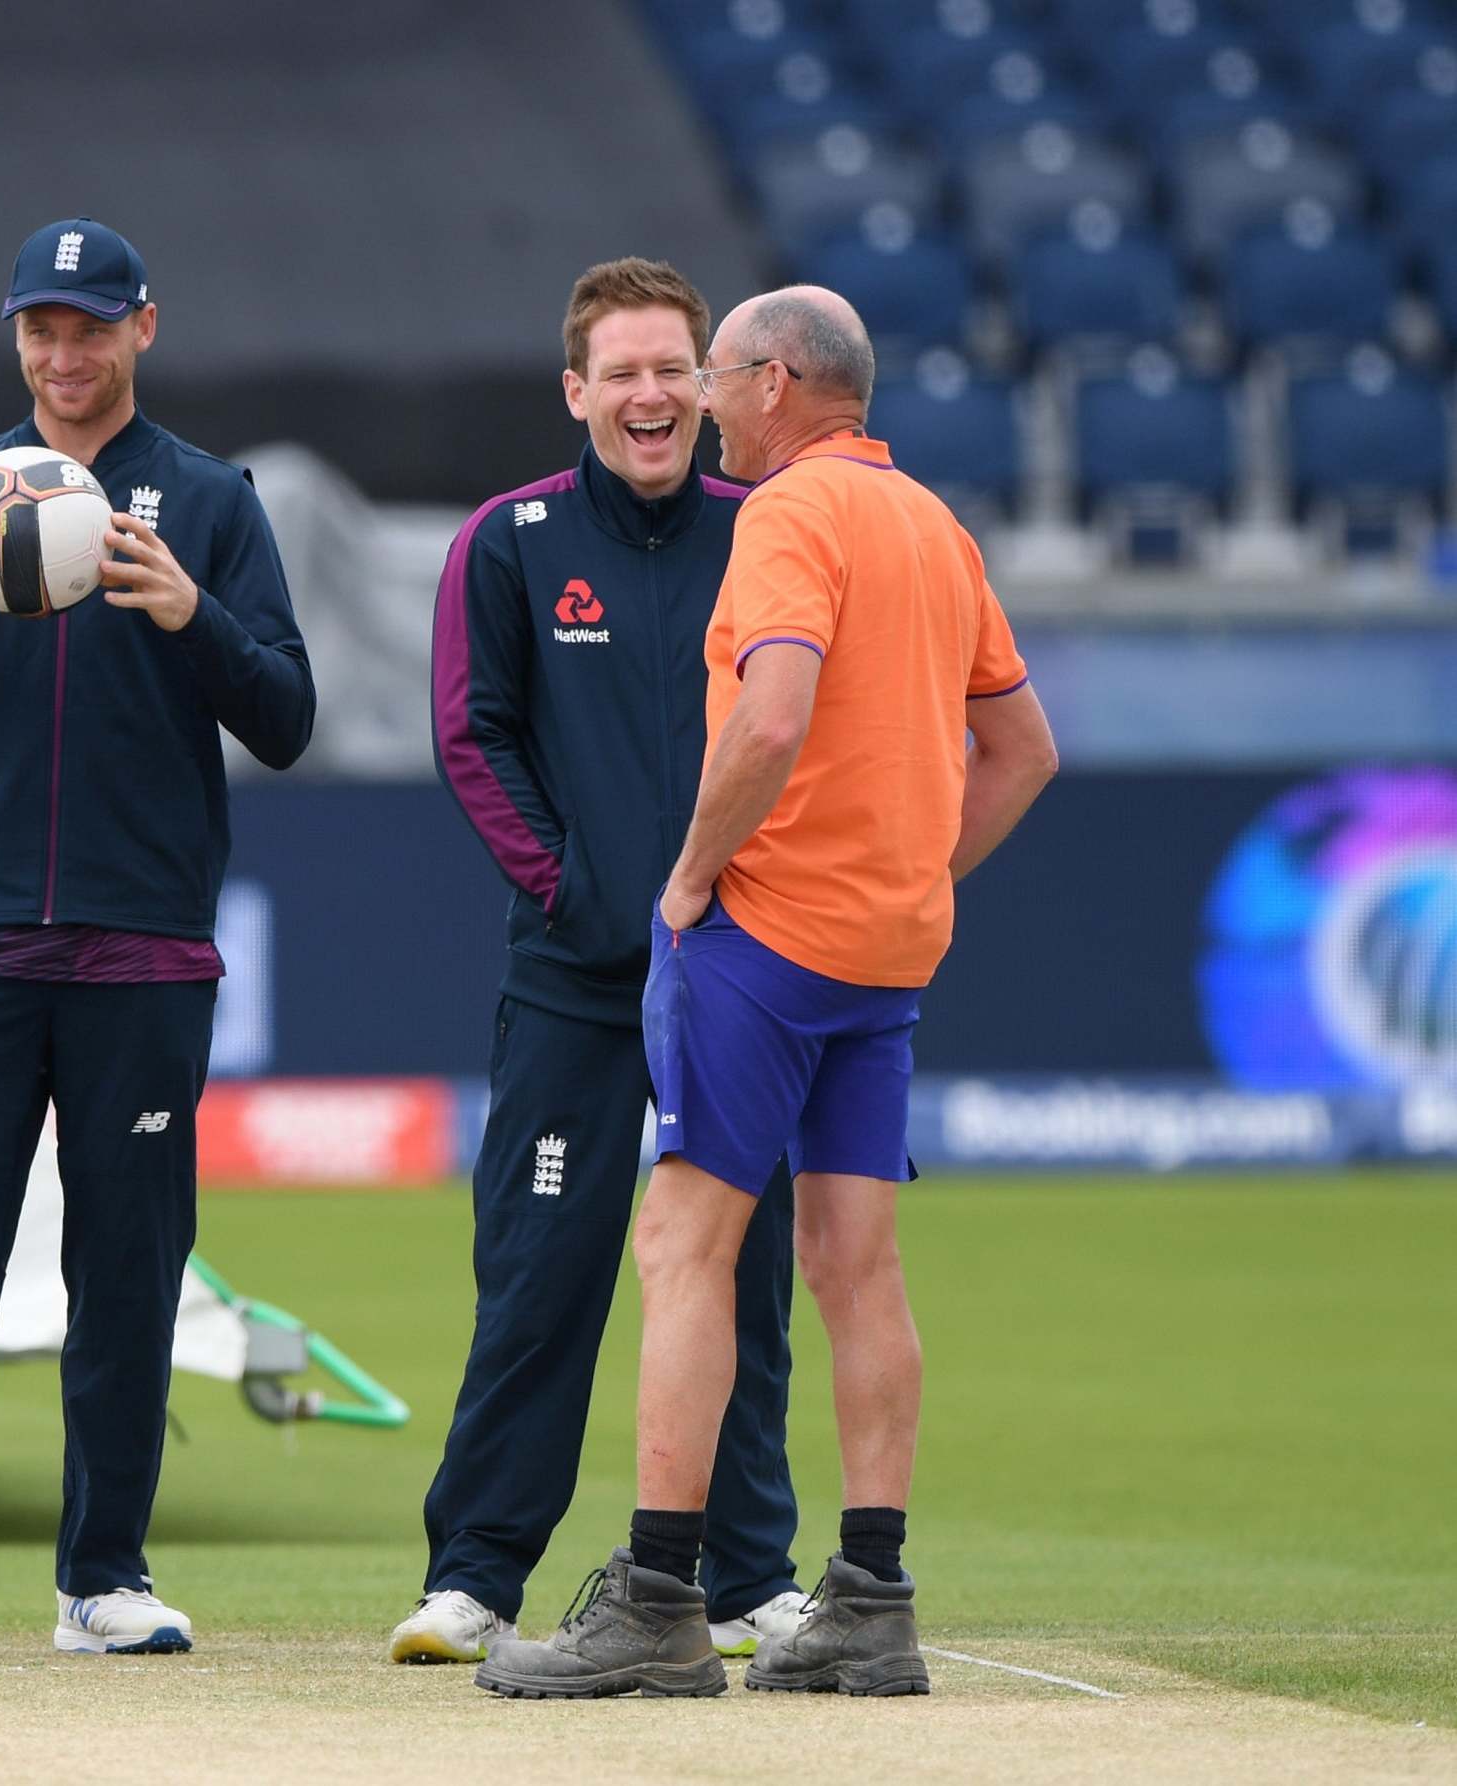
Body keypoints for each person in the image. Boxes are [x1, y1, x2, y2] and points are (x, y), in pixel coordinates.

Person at [475, 286, 1057, 1701]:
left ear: (781, 379)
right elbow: (1022, 748)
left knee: (680, 1248)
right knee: (854, 1264)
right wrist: (916, 876)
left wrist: (687, 877)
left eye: (723, 374)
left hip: (765, 939)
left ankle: (660, 1595)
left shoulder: (786, 517)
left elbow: (773, 710)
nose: (712, 401)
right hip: (885, 953)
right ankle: (871, 1595)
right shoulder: (929, 521)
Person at [0, 218, 315, 1663]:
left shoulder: (210, 500)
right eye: (41, 325)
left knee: (129, 1265)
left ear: (143, 328)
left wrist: (192, 615)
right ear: (13, 332)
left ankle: (102, 1575)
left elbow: (284, 714)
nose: (63, 352)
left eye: (91, 325)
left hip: (143, 946)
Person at [400, 258, 806, 1668]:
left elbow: (810, 728)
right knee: (538, 1268)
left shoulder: (770, 528)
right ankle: (473, 1576)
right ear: (575, 392)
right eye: (618, 372)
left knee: (741, 1279)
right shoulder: (506, 541)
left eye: (670, 368)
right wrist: (571, 893)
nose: (647, 394)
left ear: (710, 385)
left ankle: (750, 1578)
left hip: (741, 979)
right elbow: (472, 734)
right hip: (575, 980)